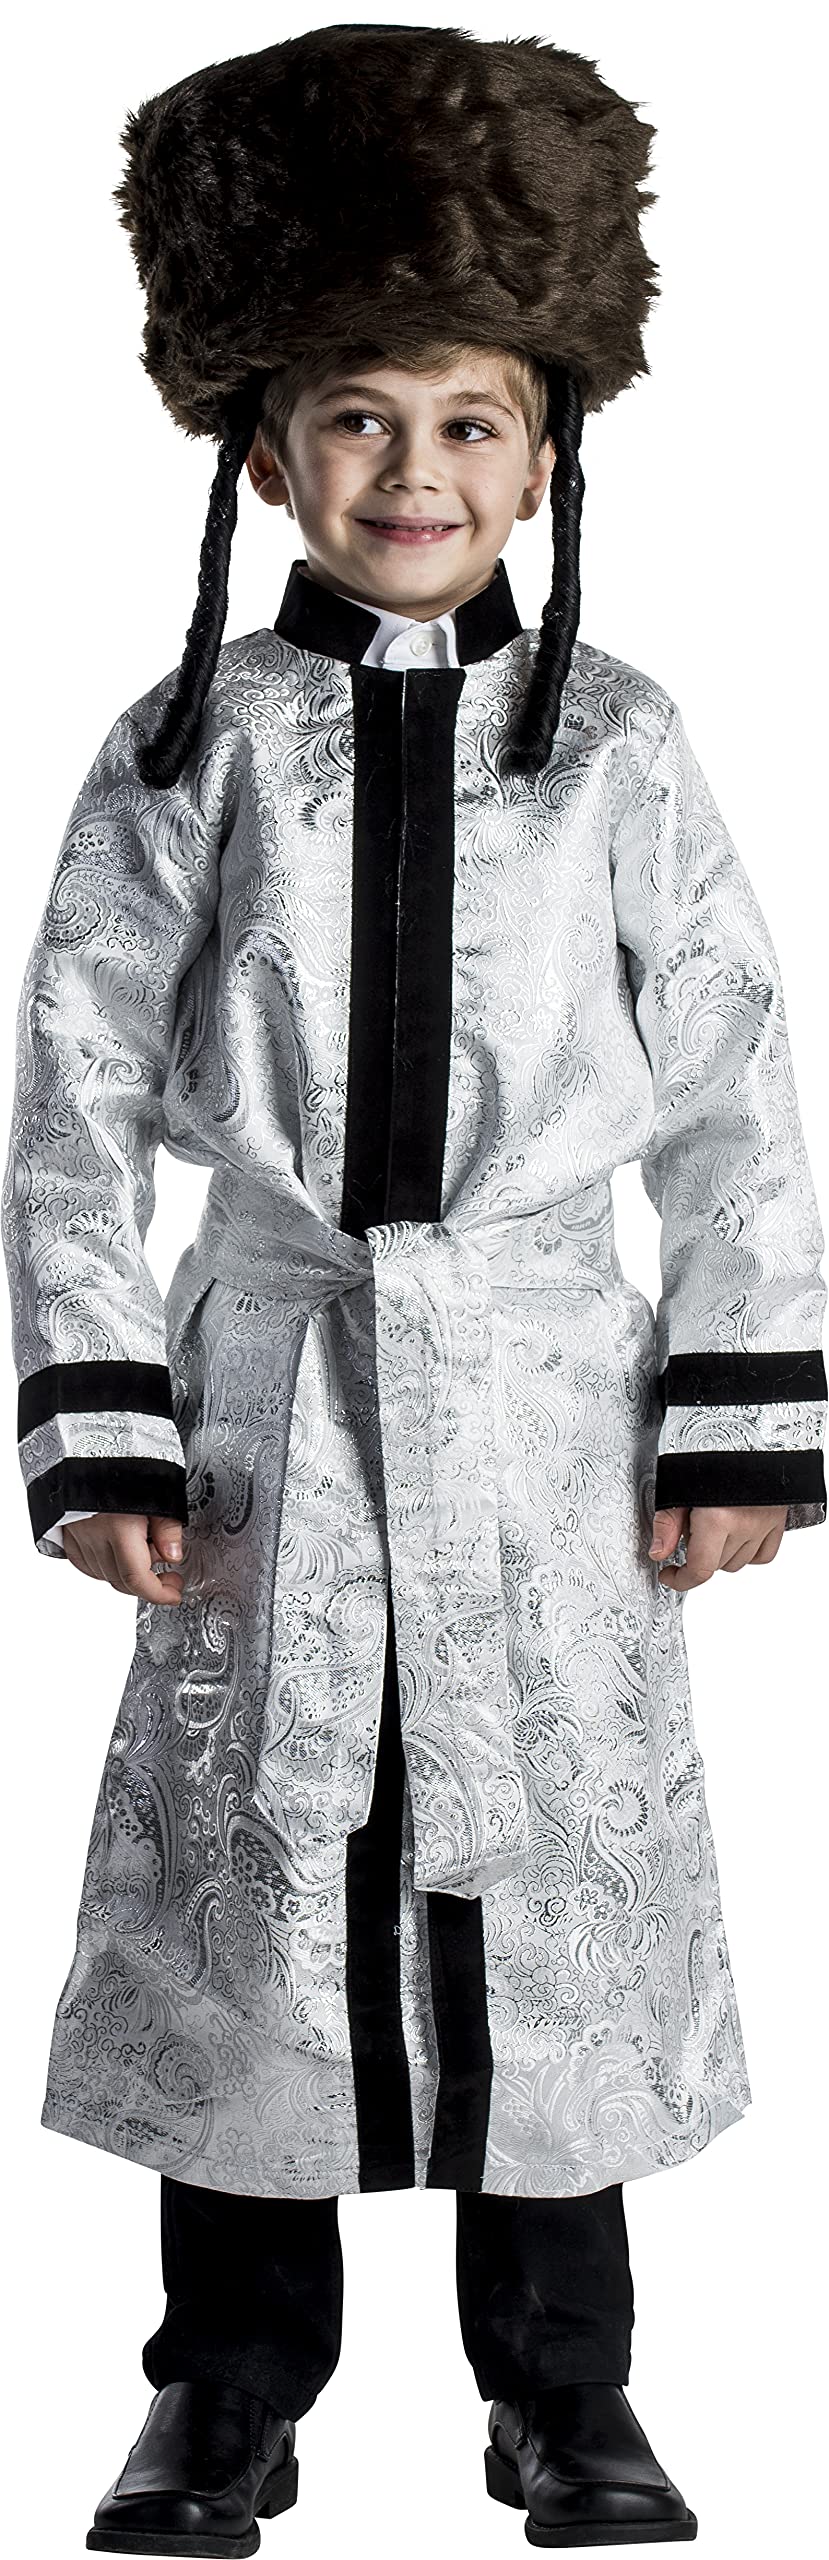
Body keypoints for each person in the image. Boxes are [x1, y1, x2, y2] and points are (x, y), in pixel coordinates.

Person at [3, 25, 826, 2557]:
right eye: (357, 420)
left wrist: (730, 1405)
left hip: (549, 1398)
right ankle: (224, 2387)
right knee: (262, 1886)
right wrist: (104, 1408)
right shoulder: (186, 747)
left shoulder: (621, 751)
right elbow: (73, 1089)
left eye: (469, 421)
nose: (414, 473)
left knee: (536, 1876)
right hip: (277, 1390)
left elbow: (730, 1080)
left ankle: (564, 2386)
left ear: (543, 449)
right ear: (267, 455)